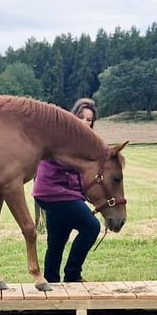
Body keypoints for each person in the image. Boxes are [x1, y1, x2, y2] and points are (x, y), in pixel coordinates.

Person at [32, 98, 101, 283]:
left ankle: (51, 281)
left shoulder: (83, 141)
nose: (85, 122)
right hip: (54, 192)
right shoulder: (61, 135)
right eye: (81, 117)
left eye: (89, 120)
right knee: (92, 227)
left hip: (55, 194)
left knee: (56, 242)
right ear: (73, 116)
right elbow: (69, 163)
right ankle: (72, 274)